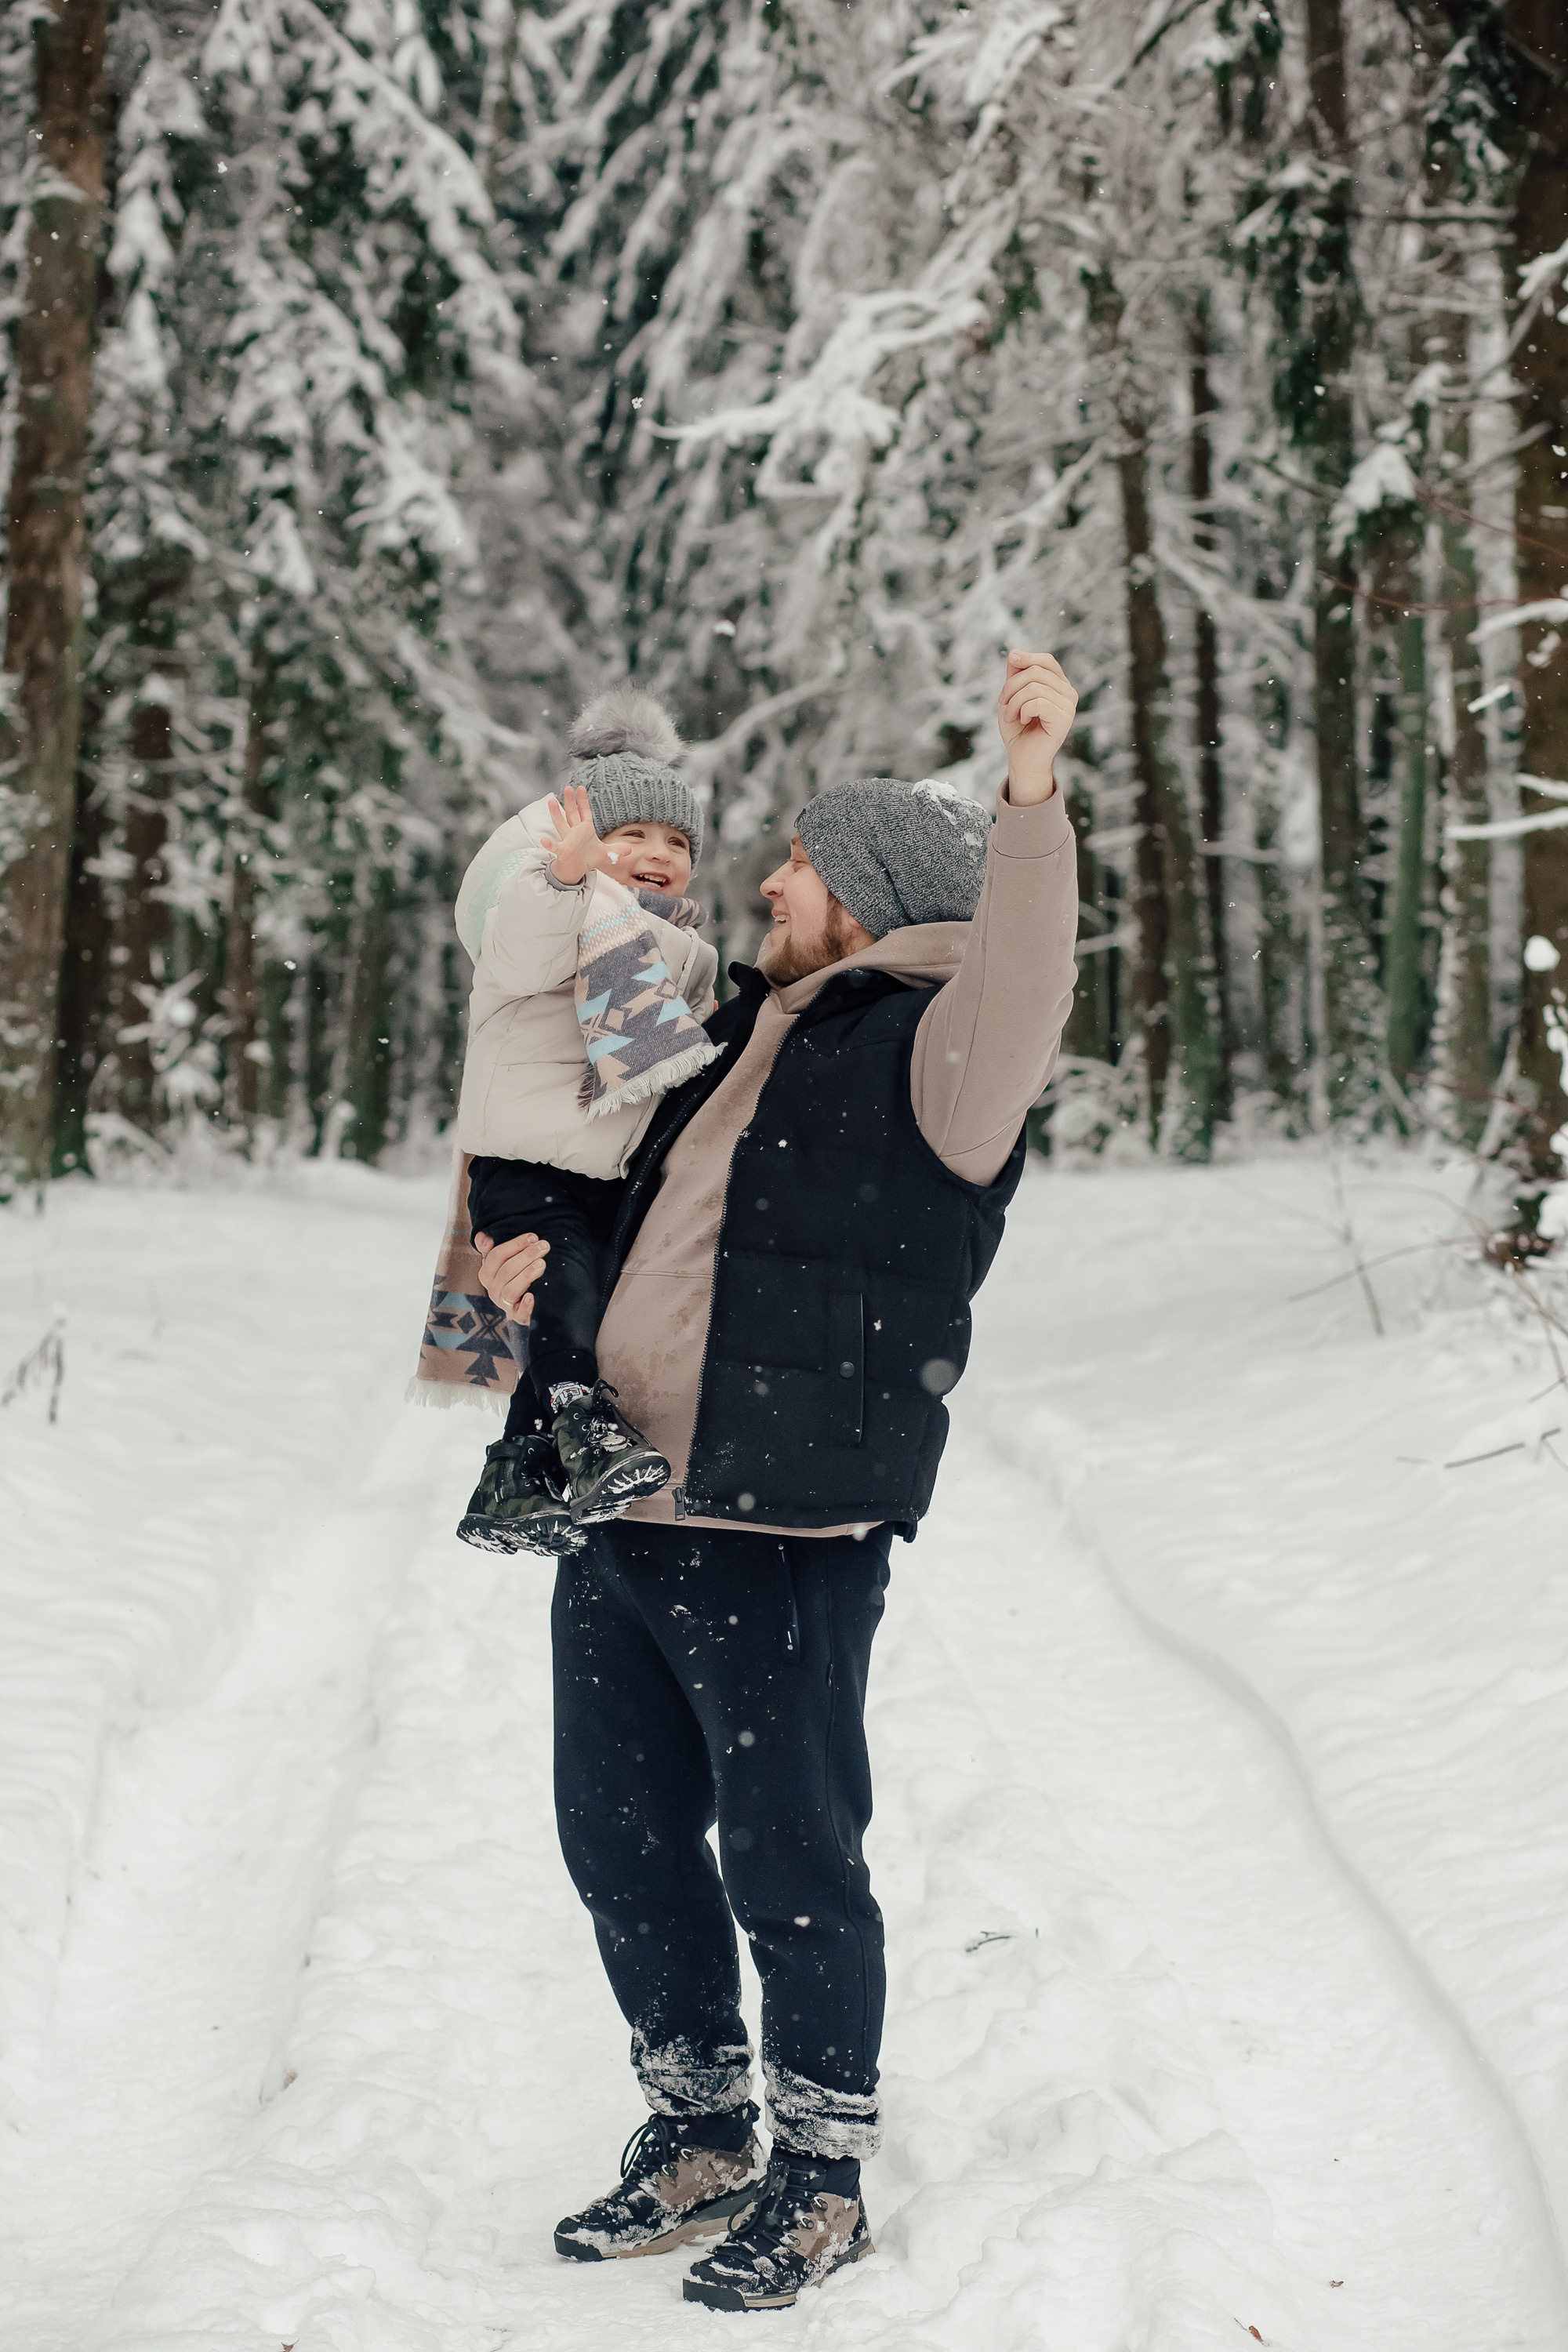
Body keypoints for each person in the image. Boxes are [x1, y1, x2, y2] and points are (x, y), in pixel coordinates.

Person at [476, 649, 1080, 2313]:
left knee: (792, 1851)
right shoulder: (733, 1019)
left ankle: (820, 2175)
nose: (764, 878)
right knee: (616, 1832)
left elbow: (1029, 970)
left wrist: (1030, 795)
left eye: (794, 862)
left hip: (778, 1520)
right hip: (620, 1497)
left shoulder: (945, 1057)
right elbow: (553, 1006)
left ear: (871, 894)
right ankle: (695, 2130)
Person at [452, 686, 720, 1553]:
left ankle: (517, 1474)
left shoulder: (683, 954)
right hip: (526, 1169)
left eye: (675, 842)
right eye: (630, 834)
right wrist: (562, 876)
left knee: (583, 1304)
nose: (654, 853)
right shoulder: (546, 914)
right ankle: (580, 1418)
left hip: (606, 1176)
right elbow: (531, 931)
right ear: (578, 841)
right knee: (561, 1295)